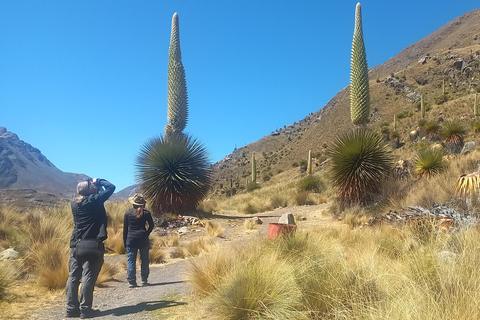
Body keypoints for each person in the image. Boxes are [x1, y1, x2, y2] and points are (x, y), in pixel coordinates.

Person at [66, 178, 115, 319]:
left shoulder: (74, 204)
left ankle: (71, 308)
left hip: (75, 244)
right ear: (89, 190)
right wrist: (98, 180)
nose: (95, 186)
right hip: (91, 244)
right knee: (88, 276)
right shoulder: (93, 201)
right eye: (92, 185)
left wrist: (92, 186)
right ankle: (85, 309)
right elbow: (111, 187)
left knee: (73, 276)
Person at [123, 193, 154, 288]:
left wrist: (125, 241)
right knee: (144, 259)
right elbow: (151, 225)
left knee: (131, 260)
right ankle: (144, 280)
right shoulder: (146, 213)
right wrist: (146, 233)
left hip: (131, 239)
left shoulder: (128, 213)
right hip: (143, 238)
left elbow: (125, 229)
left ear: (133, 203)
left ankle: (132, 281)